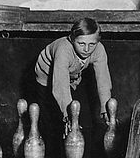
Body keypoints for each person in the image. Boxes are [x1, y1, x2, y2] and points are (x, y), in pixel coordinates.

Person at [33, 17, 113, 151]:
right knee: (52, 123)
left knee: (82, 118)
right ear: (71, 39)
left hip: (72, 77)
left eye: (92, 44)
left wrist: (106, 108)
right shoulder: (63, 50)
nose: (87, 49)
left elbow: (103, 79)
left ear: (97, 41)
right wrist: (67, 115)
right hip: (46, 78)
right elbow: (60, 86)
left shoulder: (99, 50)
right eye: (81, 43)